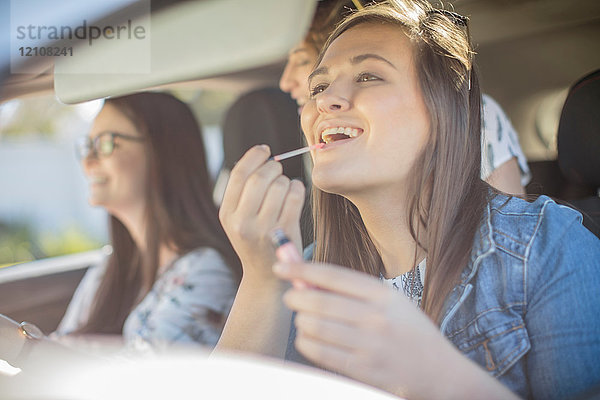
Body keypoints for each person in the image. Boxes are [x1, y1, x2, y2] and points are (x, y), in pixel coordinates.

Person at [216, 1, 600, 399]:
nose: (326, 101)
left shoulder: (547, 246)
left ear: (441, 110)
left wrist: (438, 377)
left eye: (368, 76)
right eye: (319, 86)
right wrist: (262, 278)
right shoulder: (303, 272)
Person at [279, 0, 530, 195]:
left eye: (301, 60)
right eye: (319, 87)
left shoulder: (472, 115)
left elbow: (510, 236)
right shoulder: (327, 138)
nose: (285, 81)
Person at [55, 92, 241, 351]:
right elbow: (60, 346)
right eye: (88, 145)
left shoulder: (207, 271)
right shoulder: (110, 266)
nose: (88, 161)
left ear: (162, 152)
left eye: (106, 143)